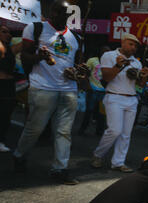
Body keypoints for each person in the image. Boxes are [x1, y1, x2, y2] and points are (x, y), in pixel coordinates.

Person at [12, 0, 84, 184]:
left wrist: (79, 72)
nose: (61, 16)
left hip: (69, 90)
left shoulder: (76, 38)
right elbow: (24, 56)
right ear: (51, 12)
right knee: (34, 128)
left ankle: (60, 169)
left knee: (64, 132)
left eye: (66, 14)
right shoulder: (35, 28)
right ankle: (19, 155)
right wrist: (39, 57)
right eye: (58, 12)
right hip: (43, 87)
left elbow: (78, 65)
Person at [90, 34, 148, 173]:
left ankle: (118, 162)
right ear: (123, 42)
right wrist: (118, 65)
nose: (133, 48)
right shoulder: (109, 56)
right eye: (131, 44)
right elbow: (106, 77)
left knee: (126, 134)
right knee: (114, 130)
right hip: (114, 96)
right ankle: (98, 155)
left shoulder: (136, 62)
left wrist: (144, 76)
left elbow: (140, 84)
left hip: (131, 98)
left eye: (135, 46)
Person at [78, 46, 110, 136]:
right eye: (104, 52)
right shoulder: (92, 60)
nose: (106, 54)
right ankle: (82, 129)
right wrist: (88, 86)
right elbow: (85, 73)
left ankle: (99, 132)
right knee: (89, 111)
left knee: (102, 114)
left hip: (104, 91)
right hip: (93, 90)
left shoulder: (111, 63)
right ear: (100, 53)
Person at [0, 25, 21, 152]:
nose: (8, 34)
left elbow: (26, 43)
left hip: (9, 86)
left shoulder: (11, 49)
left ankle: (1, 140)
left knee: (6, 115)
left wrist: (37, 24)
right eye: (4, 32)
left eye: (9, 32)